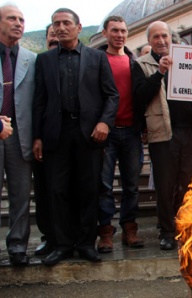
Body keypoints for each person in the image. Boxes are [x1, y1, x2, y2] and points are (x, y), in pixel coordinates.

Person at [33, 8, 119, 266]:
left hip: (89, 134)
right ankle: (62, 245)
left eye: (66, 23)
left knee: (88, 189)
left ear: (79, 27)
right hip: (56, 135)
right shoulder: (44, 60)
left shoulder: (97, 57)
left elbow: (112, 95)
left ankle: (85, 243)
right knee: (57, 191)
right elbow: (39, 102)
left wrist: (105, 122)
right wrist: (37, 136)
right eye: (56, 24)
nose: (61, 27)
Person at [132, 21, 192, 250]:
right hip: (163, 133)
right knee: (165, 186)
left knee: (189, 184)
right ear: (150, 41)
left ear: (171, 37)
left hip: (191, 131)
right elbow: (139, 96)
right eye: (155, 37)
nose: (161, 40)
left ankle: (188, 228)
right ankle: (166, 231)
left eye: (164, 35)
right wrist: (160, 72)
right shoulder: (141, 65)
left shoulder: (187, 57)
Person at [96, 15, 145, 254]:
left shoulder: (135, 62)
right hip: (105, 132)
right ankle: (105, 231)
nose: (119, 35)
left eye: (123, 30)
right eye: (114, 30)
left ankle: (129, 228)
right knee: (103, 185)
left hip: (132, 132)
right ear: (105, 33)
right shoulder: (96, 60)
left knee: (132, 185)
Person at [0, 4, 35, 266]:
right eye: (12, 18)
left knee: (21, 194)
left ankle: (18, 246)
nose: (18, 23)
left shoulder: (31, 59)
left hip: (20, 134)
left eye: (22, 19)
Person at [33, 23, 59, 257]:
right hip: (46, 137)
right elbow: (37, 101)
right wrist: (37, 136)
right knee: (45, 192)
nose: (57, 39)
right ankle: (49, 237)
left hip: (74, 138)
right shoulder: (38, 63)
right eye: (52, 35)